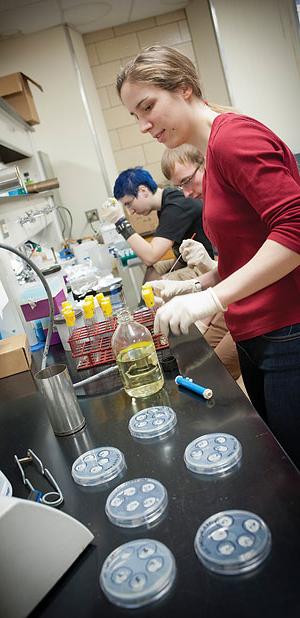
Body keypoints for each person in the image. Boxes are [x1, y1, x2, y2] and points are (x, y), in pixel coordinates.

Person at [116, 45, 300, 469]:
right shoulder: (214, 152)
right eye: (134, 116)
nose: (143, 125)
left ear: (183, 88)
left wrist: (212, 301)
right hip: (260, 333)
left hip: (288, 334)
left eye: (148, 107)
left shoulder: (234, 138)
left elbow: (294, 228)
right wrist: (194, 285)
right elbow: (248, 249)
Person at [159, 144, 241, 380]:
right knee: (194, 357)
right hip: (232, 301)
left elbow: (243, 274)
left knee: (213, 374)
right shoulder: (209, 209)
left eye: (187, 181)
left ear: (206, 164)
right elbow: (227, 269)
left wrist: (202, 284)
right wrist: (193, 284)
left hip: (251, 305)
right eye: (178, 186)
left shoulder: (231, 202)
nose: (185, 193)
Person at [99, 166, 214, 281]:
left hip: (205, 265)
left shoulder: (176, 206)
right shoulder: (167, 200)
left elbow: (150, 256)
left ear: (143, 191)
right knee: (153, 269)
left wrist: (120, 222)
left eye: (129, 203)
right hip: (186, 260)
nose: (131, 211)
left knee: (156, 286)